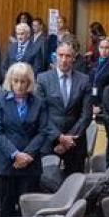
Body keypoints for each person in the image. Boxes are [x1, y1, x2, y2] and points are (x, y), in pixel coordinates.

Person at [0, 62, 55, 217]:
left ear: (29, 82)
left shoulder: (38, 102)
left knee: (27, 210)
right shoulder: (0, 100)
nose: (19, 85)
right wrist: (16, 154)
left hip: (30, 165)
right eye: (16, 81)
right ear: (10, 81)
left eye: (23, 81)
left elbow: (43, 131)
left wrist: (27, 155)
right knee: (7, 209)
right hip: (6, 164)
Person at [33, 38, 91, 175]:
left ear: (74, 58)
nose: (64, 60)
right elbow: (41, 113)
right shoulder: (43, 79)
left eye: (68, 56)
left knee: (74, 187)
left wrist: (68, 139)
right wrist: (59, 137)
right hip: (49, 142)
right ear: (55, 57)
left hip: (75, 143)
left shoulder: (84, 80)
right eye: (61, 55)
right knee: (47, 187)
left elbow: (86, 114)